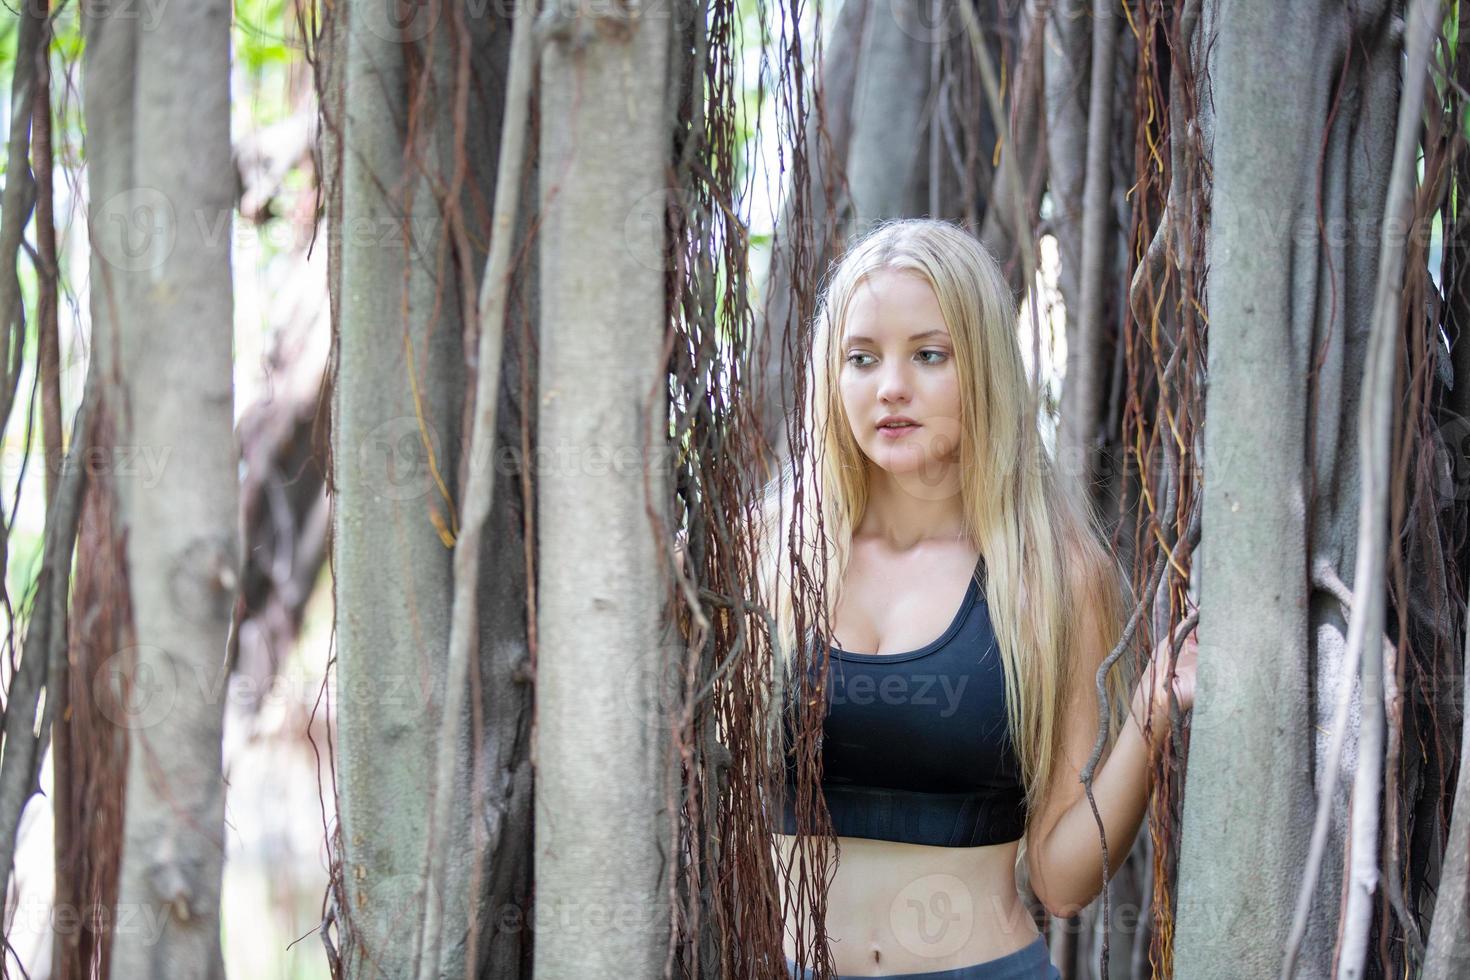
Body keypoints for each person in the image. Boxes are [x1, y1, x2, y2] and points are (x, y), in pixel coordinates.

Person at [746, 218, 1198, 979]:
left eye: (929, 355)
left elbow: (1062, 880)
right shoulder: (766, 553)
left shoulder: (1052, 577)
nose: (891, 386)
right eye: (861, 359)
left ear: (983, 368)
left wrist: (1151, 718)